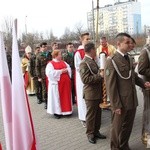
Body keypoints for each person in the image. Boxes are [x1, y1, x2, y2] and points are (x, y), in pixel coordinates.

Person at [104, 32, 150, 150]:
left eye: (130, 42)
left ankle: (124, 145)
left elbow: (133, 75)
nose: (130, 44)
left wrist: (143, 83)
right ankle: (115, 147)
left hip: (131, 99)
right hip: (120, 102)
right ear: (118, 44)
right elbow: (111, 85)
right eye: (127, 42)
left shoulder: (128, 58)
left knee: (128, 127)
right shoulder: (111, 60)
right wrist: (115, 105)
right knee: (116, 128)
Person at [79, 42, 106, 144]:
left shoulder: (92, 61)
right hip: (90, 94)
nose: (96, 51)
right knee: (91, 116)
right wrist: (100, 76)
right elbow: (85, 79)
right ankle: (90, 134)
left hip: (98, 92)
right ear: (91, 50)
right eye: (95, 49)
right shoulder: (84, 63)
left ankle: (96, 131)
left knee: (98, 114)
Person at [46, 50, 72, 119]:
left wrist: (67, 70)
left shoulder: (63, 62)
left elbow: (69, 68)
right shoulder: (50, 64)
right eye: (60, 54)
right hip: (57, 85)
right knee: (57, 99)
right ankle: (58, 112)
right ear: (55, 55)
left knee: (66, 97)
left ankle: (67, 111)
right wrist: (60, 71)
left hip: (65, 85)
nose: (61, 56)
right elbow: (49, 73)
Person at [74, 32, 90, 127]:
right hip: (82, 78)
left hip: (91, 77)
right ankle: (84, 118)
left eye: (89, 38)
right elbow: (78, 66)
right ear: (82, 40)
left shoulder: (91, 50)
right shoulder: (78, 53)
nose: (89, 40)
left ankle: (91, 117)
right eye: (87, 39)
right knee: (82, 97)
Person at [138, 39, 150, 144]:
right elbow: (141, 69)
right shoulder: (145, 51)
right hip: (148, 87)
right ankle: (147, 139)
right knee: (148, 113)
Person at [36, 42, 52, 109]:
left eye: (46, 46)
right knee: (44, 89)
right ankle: (46, 102)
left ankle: (51, 101)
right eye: (43, 47)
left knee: (50, 88)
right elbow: (37, 67)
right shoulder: (39, 56)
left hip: (50, 74)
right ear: (41, 48)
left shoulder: (49, 54)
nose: (45, 48)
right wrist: (39, 76)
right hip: (43, 75)